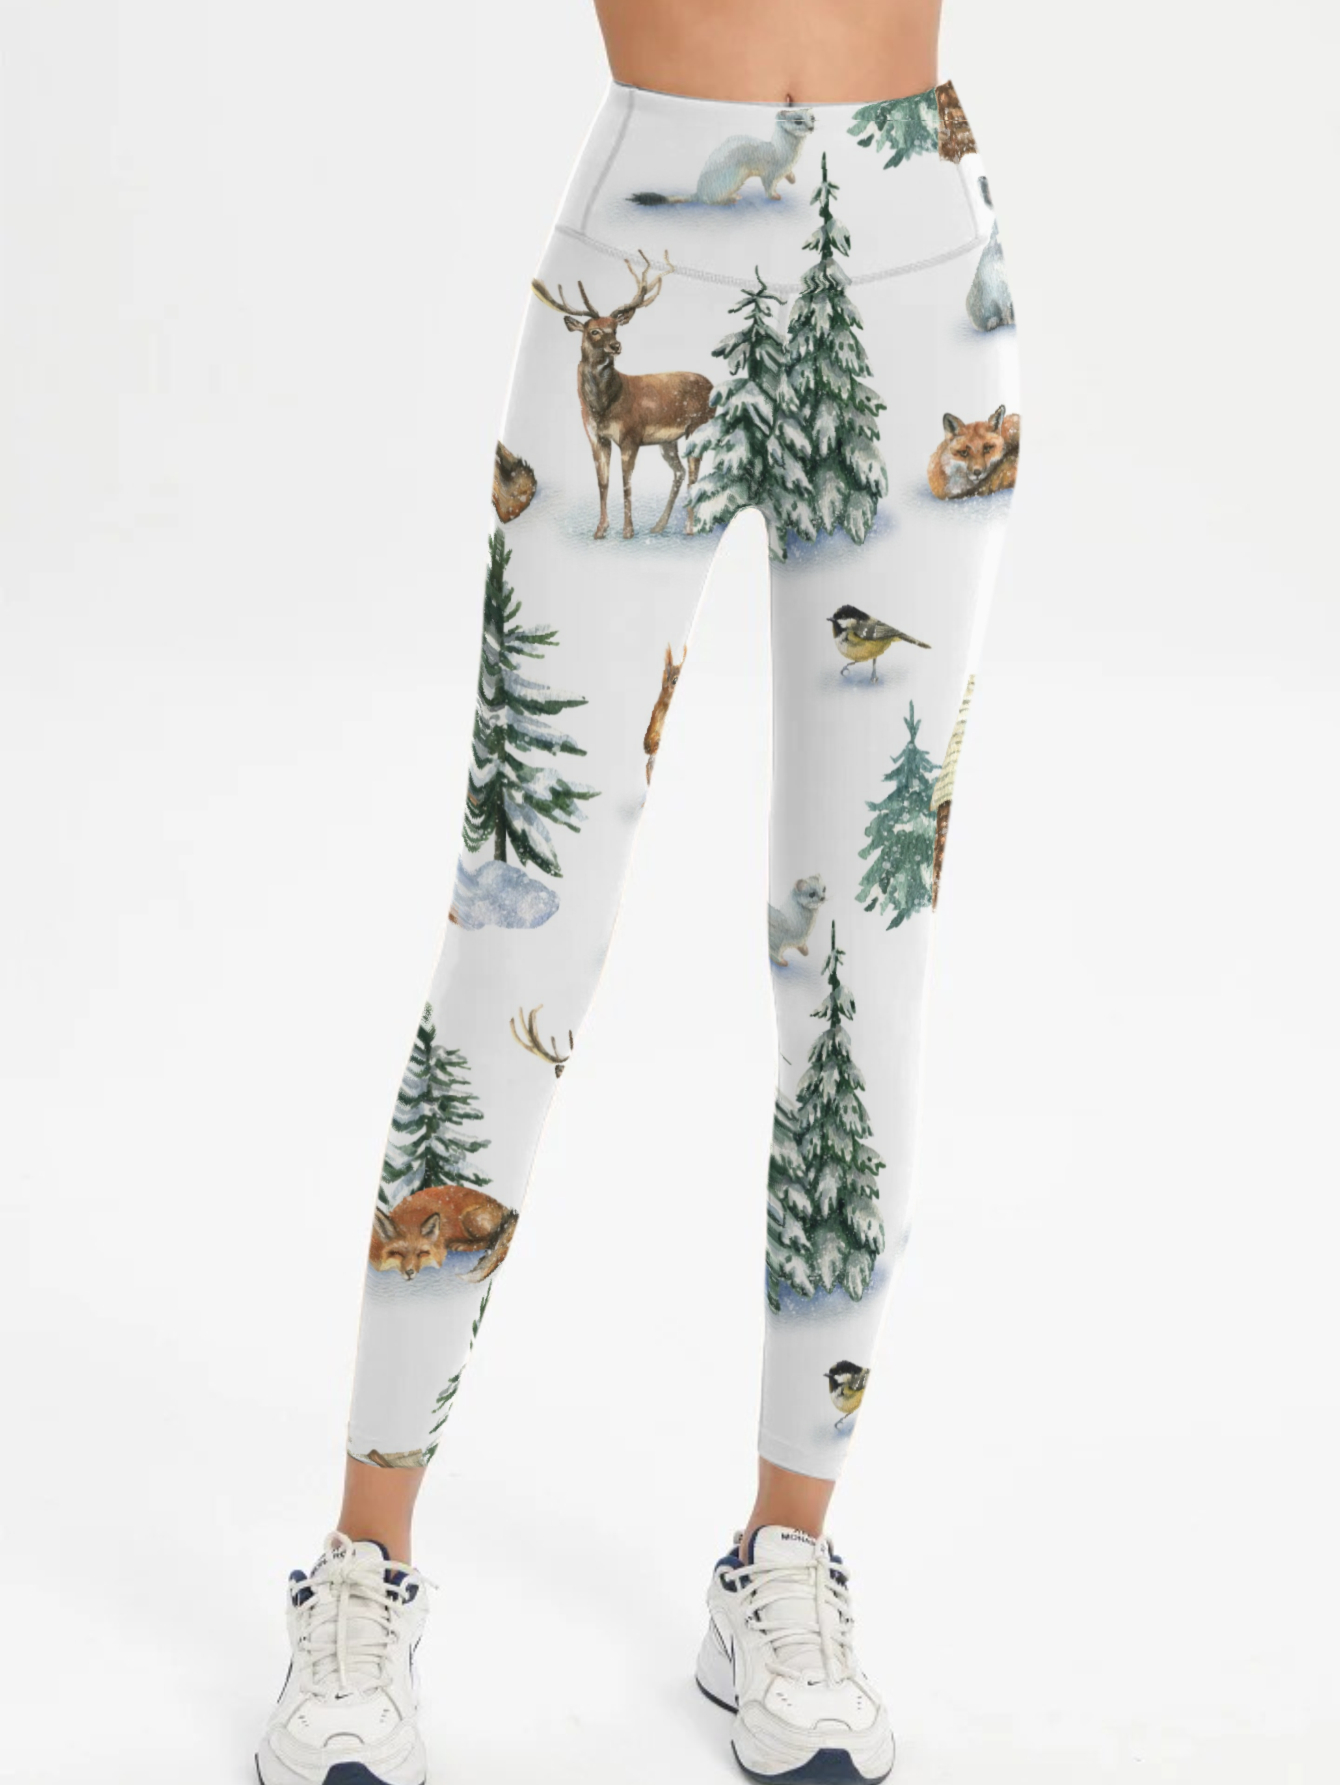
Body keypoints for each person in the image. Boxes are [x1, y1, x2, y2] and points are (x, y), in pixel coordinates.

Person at [256, 2, 1021, 1780]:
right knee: (521, 912)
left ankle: (785, 1559)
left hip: (918, 250)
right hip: (654, 225)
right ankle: (363, 1564)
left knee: (868, 951)